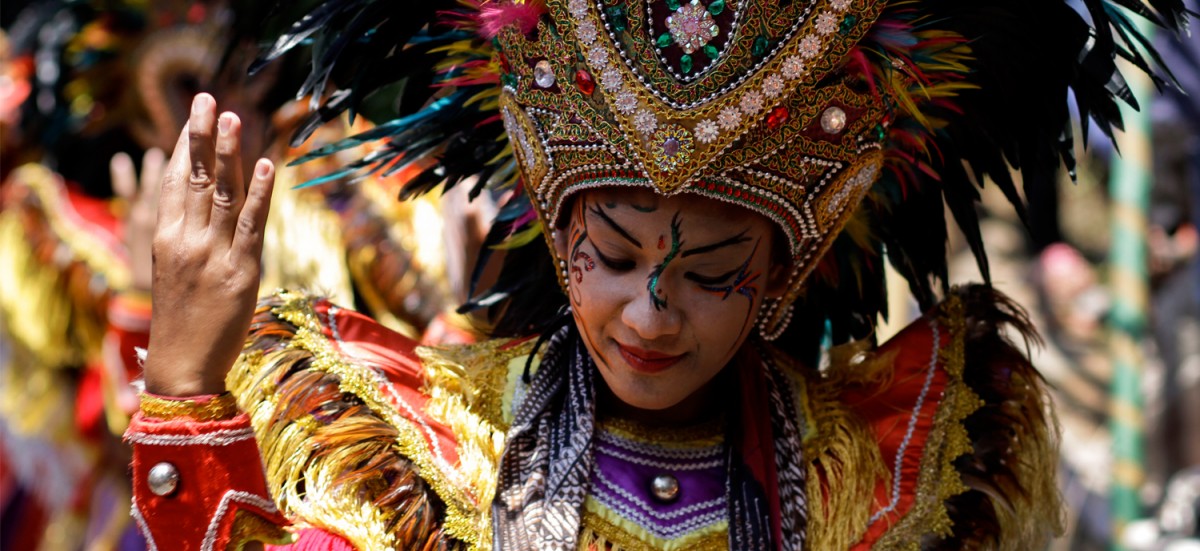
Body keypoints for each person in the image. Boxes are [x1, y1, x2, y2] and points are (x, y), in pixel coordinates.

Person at [124, 0, 1190, 549]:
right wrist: (183, 379)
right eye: (618, 255)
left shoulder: (882, 487)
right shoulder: (436, 463)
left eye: (712, 268)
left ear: (783, 272)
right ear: (555, 229)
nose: (650, 307)